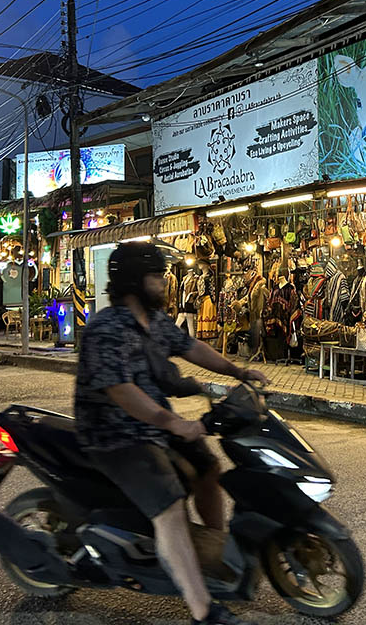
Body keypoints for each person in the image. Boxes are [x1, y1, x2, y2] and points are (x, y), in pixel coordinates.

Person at [75, 242, 268, 625]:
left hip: (154, 428)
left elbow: (192, 347)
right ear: (134, 281)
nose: (164, 283)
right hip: (116, 436)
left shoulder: (155, 321)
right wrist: (172, 422)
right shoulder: (105, 328)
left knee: (209, 468)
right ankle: (202, 610)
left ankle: (214, 557)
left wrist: (238, 372)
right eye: (156, 276)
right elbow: (121, 391)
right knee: (170, 504)